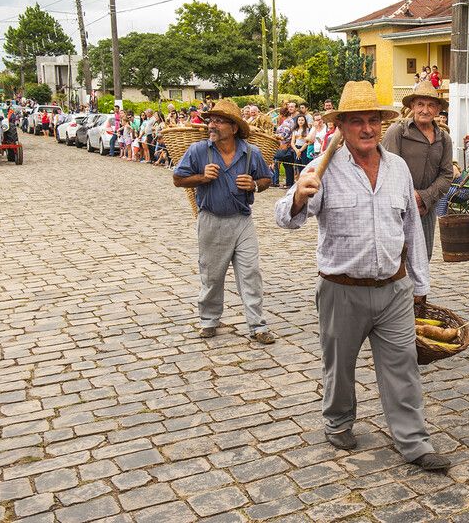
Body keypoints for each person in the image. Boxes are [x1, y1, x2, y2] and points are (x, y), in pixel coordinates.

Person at [276, 81, 449, 471]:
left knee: (402, 367)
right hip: (341, 289)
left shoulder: (398, 168)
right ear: (341, 126)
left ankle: (414, 441)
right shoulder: (322, 168)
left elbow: (411, 230)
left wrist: (419, 285)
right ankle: (338, 422)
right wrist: (299, 196)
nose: (367, 128)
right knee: (339, 365)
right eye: (357, 122)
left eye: (373, 120)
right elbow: (285, 219)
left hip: (394, 289)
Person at [172, 99, 275, 344]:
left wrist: (254, 185)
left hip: (242, 222)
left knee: (250, 272)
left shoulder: (252, 153)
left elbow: (266, 179)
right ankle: (208, 320)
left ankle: (257, 325)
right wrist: (200, 177)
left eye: (219, 121)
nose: (212, 125)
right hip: (211, 220)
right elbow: (178, 179)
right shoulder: (198, 151)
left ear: (234, 127)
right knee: (212, 275)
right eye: (211, 121)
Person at [381, 80, 453, 260]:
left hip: (426, 209)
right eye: (420, 104)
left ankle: (418, 289)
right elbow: (388, 169)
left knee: (423, 256)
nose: (425, 110)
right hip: (399, 207)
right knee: (396, 255)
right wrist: (410, 196)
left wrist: (424, 197)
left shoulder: (444, 138)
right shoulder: (397, 131)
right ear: (412, 106)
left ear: (437, 110)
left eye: (431, 105)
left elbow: (447, 174)